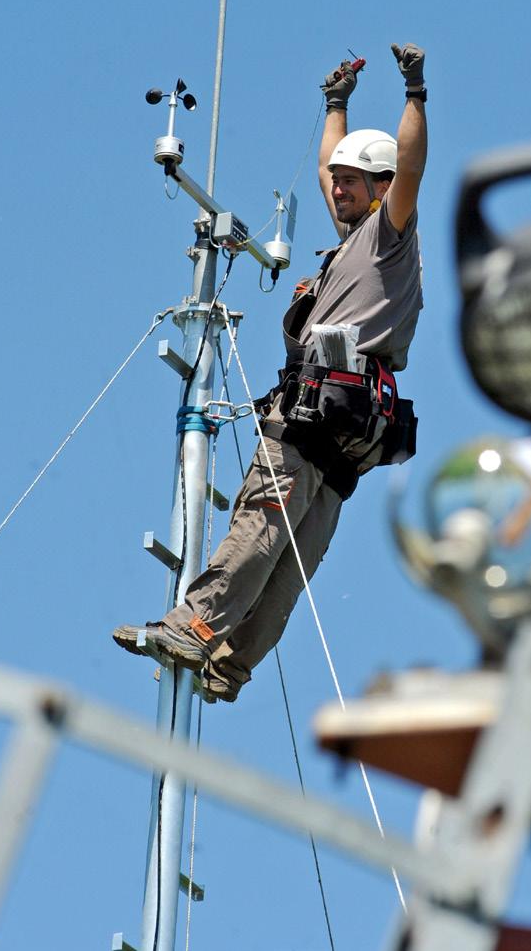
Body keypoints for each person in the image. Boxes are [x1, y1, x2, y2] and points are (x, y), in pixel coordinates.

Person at [113, 42, 427, 702]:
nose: (335, 187)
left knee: (261, 532)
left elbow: (411, 166)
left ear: (380, 188)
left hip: (320, 423)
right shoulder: (352, 247)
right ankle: (228, 663)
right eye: (336, 181)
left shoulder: (386, 234)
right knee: (289, 563)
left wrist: (413, 92)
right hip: (340, 433)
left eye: (351, 181)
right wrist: (335, 104)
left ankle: (195, 628)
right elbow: (324, 162)